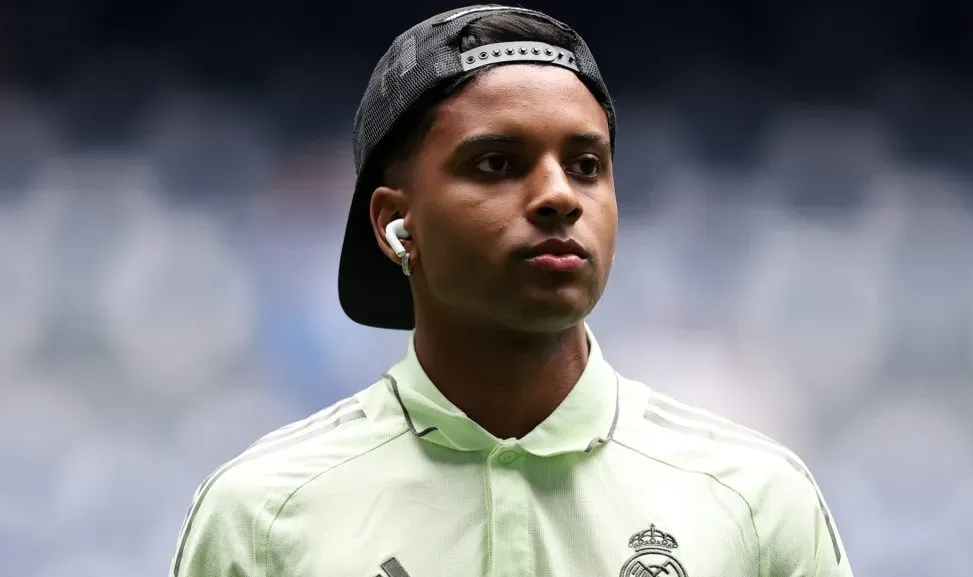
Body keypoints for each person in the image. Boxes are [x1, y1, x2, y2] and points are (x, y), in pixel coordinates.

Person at [170, 5, 856, 577]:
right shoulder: (259, 518)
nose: (560, 194)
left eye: (587, 165)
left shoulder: (757, 502)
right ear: (393, 222)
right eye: (496, 163)